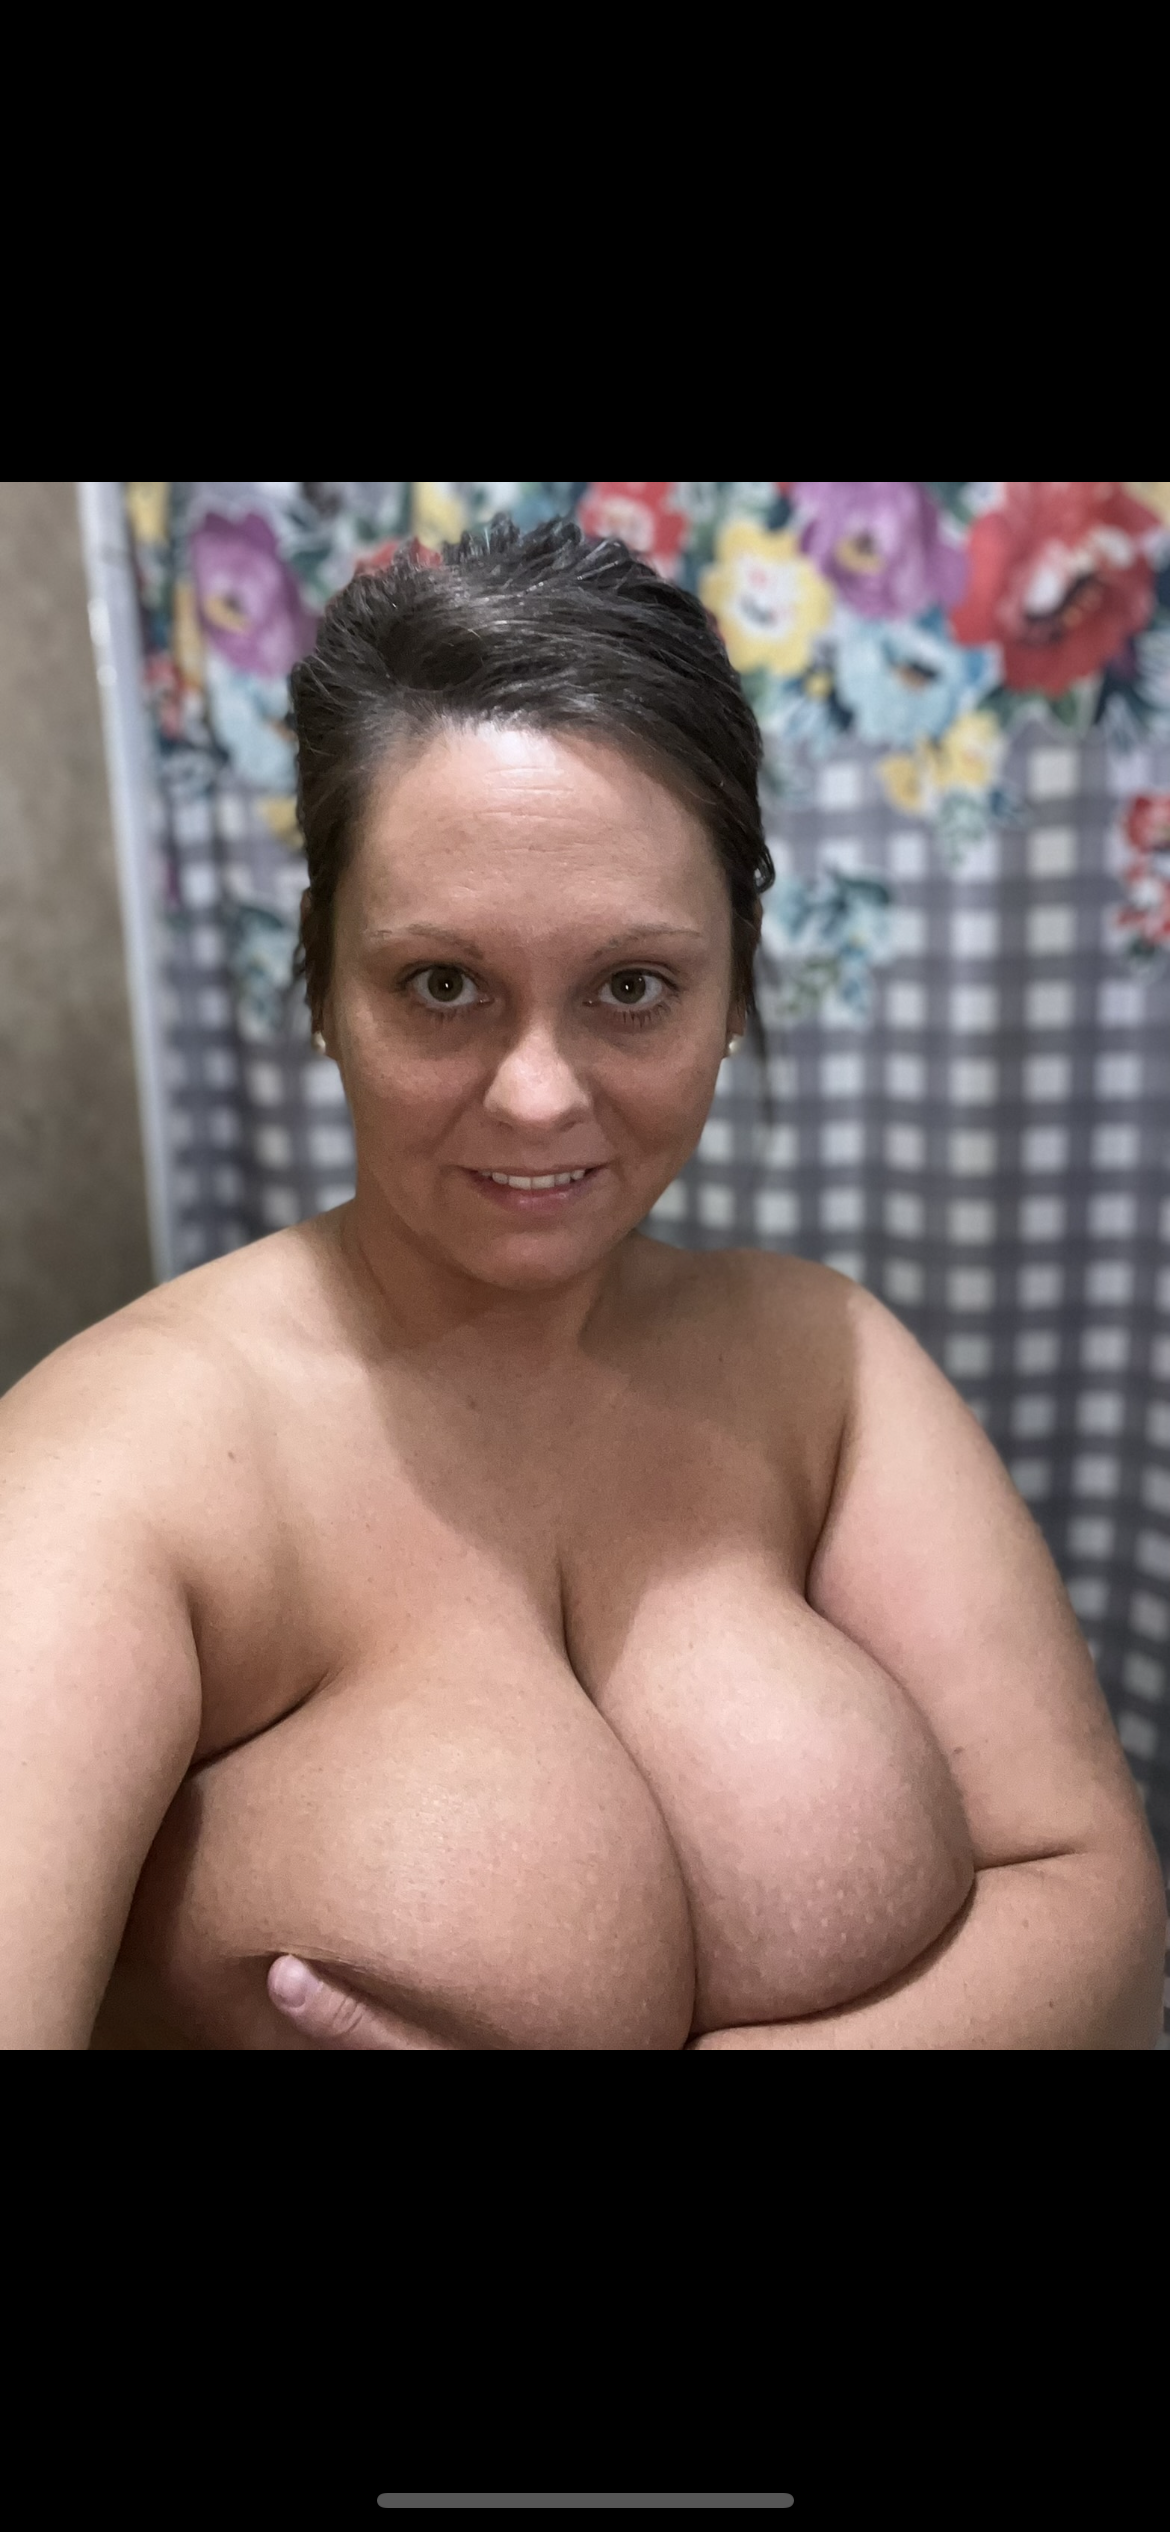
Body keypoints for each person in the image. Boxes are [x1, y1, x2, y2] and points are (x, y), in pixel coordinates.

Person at [2, 518, 1164, 2050]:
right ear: (322, 983)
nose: (539, 1097)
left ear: (731, 989)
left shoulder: (821, 1363)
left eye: (630, 986)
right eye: (442, 985)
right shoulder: (114, 1467)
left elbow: (1091, 1893)